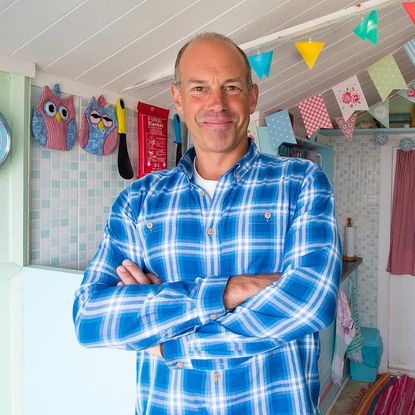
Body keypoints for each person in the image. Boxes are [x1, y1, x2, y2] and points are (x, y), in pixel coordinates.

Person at [73, 32, 341, 414]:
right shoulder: (138, 201)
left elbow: (309, 303)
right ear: (178, 98)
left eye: (230, 87)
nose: (217, 103)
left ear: (252, 96)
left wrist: (169, 338)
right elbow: (90, 318)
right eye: (199, 88)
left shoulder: (301, 182)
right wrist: (230, 291)